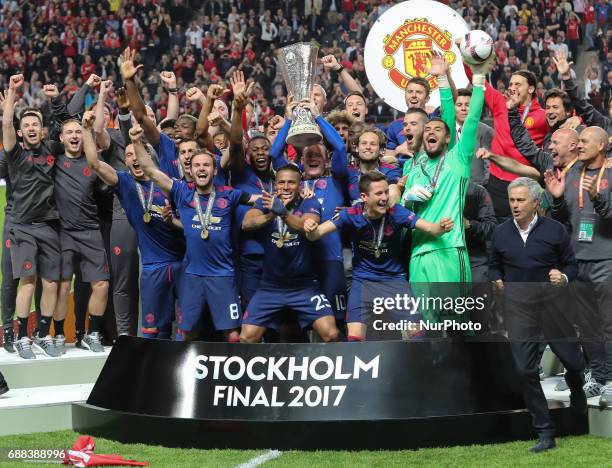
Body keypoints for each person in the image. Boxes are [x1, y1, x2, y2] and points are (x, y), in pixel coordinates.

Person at [489, 177, 587, 453]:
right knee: (525, 370)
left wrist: (564, 277)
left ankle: (576, 385)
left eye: (521, 200)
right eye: (511, 200)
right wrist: (496, 279)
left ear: (535, 203)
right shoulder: (500, 232)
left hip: (553, 308)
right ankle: (545, 432)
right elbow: (494, 265)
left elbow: (571, 265)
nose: (515, 205)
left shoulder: (554, 230)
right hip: (519, 309)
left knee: (574, 362)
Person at [305, 171, 453, 340]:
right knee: (354, 339)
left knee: (418, 335)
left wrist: (441, 227)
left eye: (386, 192)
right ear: (364, 197)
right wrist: (310, 228)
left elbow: (431, 229)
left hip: (394, 280)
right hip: (363, 282)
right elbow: (315, 235)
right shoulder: (351, 214)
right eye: (379, 193)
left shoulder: (397, 212)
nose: (384, 198)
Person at [134, 135, 249, 342]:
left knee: (232, 335)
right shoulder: (181, 191)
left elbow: (261, 200)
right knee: (187, 331)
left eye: (206, 165)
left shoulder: (229, 194)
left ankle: (231, 375)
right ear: (189, 169)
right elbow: (150, 171)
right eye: (197, 165)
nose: (201, 169)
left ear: (215, 170)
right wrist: (135, 142)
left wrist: (283, 204)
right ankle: (182, 373)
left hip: (223, 275)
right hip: (193, 276)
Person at [82, 116, 185, 340]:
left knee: (182, 329)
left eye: (138, 153)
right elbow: (94, 163)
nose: (134, 158)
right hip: (152, 268)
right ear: (126, 162)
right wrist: (86, 130)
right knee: (151, 331)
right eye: (129, 155)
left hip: (182, 265)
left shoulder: (168, 182)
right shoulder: (125, 184)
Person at [545, 126, 612, 407]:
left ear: (601, 145)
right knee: (587, 325)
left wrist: (597, 197)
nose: (580, 145)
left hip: (606, 259)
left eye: (585, 141)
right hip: (578, 259)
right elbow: (565, 218)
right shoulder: (572, 173)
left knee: (609, 323)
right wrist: (558, 198)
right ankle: (598, 376)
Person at [240, 164, 340, 343]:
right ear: (275, 184)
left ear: (300, 185)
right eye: (281, 182)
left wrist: (283, 213)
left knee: (331, 334)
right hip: (270, 286)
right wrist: (272, 214)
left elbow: (307, 227)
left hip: (304, 286)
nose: (286, 187)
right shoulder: (265, 201)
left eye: (291, 183)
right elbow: (247, 224)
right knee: (247, 338)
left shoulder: (310, 201)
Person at [2, 75, 62, 359]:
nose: (31, 128)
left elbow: (69, 126)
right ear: (21, 130)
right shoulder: (14, 155)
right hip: (23, 227)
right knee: (28, 280)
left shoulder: (51, 148)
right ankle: (21, 335)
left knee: (50, 282)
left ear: (41, 128)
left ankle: (43, 332)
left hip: (48, 225)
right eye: (25, 125)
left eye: (35, 123)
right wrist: (13, 93)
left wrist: (55, 100)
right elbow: (6, 125)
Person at [52, 116, 109, 353]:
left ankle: (92, 334)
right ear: (62, 138)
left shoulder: (94, 163)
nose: (75, 136)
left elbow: (108, 188)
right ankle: (57, 334)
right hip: (64, 233)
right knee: (63, 286)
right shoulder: (53, 163)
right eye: (70, 133)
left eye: (78, 132)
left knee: (102, 285)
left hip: (91, 230)